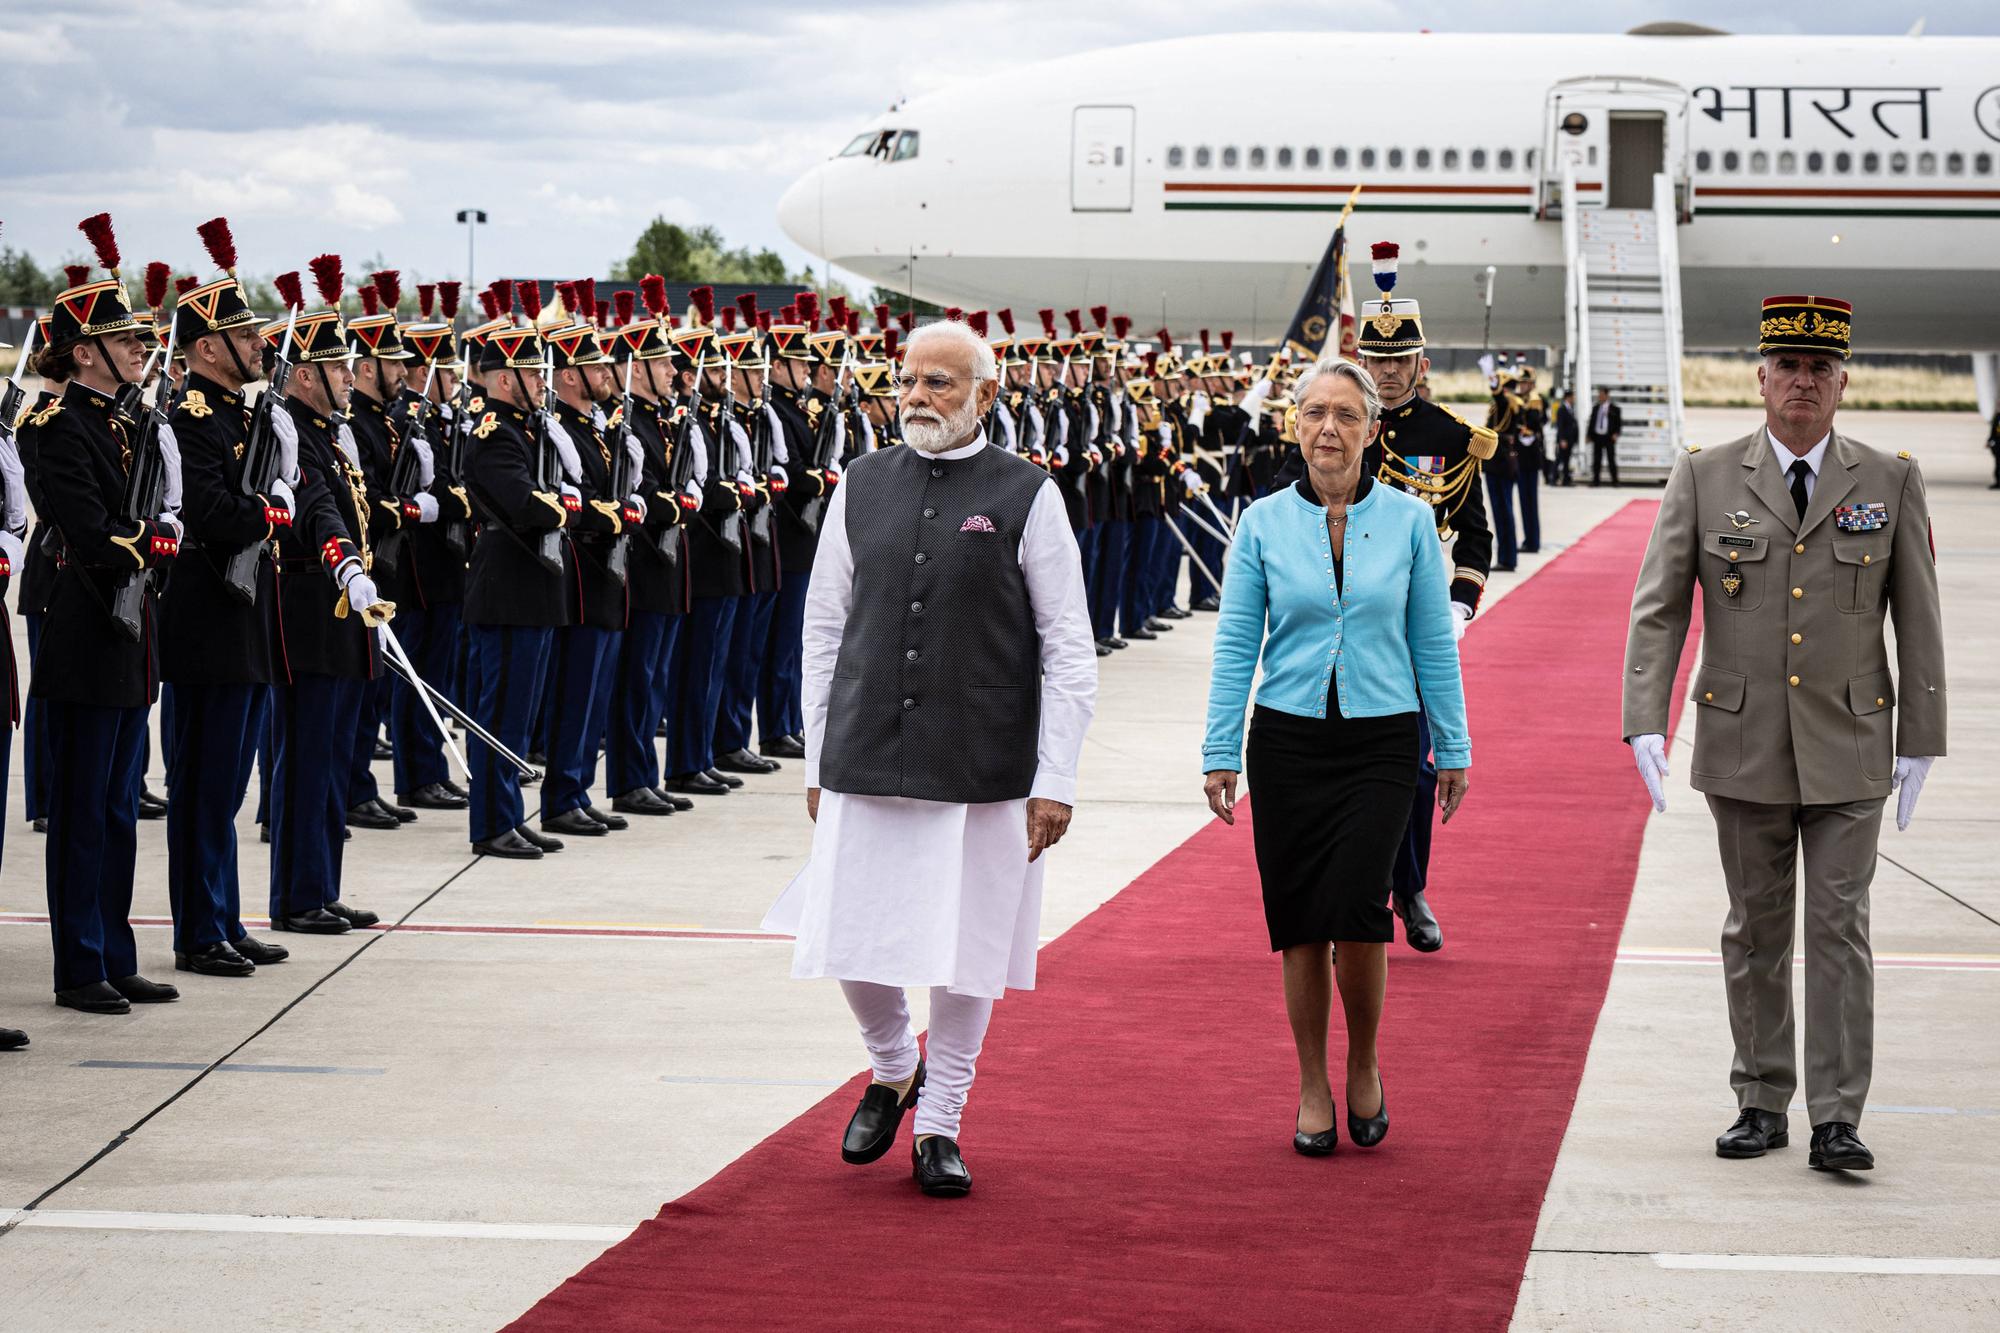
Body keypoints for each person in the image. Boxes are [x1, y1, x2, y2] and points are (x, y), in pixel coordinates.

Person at [764, 318, 1097, 1198]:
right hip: (864, 745)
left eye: (938, 382)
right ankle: (890, 1064)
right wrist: (815, 757)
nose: (915, 396)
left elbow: (1069, 644)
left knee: (966, 948)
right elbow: (823, 627)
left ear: (985, 393)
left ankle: (941, 1119)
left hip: (982, 761)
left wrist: (1056, 777)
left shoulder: (1028, 493)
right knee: (847, 930)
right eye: (907, 380)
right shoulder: (860, 483)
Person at [1622, 294, 1946, 1172]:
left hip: (1850, 743)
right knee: (1756, 927)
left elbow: (1918, 617)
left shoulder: (1889, 479)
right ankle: (1761, 1100)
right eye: (1789, 367)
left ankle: (1836, 1116)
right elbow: (1659, 608)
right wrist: (1644, 717)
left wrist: (1921, 733)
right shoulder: (1704, 476)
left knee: (1838, 928)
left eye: (1821, 368)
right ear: (1760, 378)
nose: (1804, 381)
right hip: (1743, 742)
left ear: (1843, 383)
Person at [1202, 354, 1470, 1155]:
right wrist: (1220, 748)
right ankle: (1312, 1081)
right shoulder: (1261, 524)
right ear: (1296, 425)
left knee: (1357, 910)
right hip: (1287, 742)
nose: (1329, 428)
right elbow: (1236, 643)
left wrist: (1453, 743)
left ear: (1372, 430)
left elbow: (1433, 641)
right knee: (1299, 923)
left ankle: (1364, 1061)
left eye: (1346, 414)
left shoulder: (1411, 522)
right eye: (1315, 413)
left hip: (1382, 740)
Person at [1286, 247, 1492, 952]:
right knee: (1337, 766)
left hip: (1415, 626)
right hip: (1336, 617)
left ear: (1420, 364)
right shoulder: (1334, 424)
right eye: (1377, 361)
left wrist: (1458, 606)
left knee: (1417, 768)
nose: (1388, 373)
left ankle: (1409, 887)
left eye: (1400, 361)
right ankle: (1354, 892)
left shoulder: (1452, 439)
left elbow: (1476, 537)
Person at [33, 218, 184, 1012]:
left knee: (121, 808)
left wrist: (164, 530)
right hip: (88, 629)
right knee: (84, 810)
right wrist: (152, 538)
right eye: (123, 339)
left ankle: (116, 952)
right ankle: (79, 962)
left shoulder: (127, 423)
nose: (138, 348)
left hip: (131, 634)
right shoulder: (57, 428)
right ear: (83, 351)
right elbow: (93, 534)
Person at [266, 257, 390, 934]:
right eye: (338, 367)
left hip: (344, 618)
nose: (349, 376)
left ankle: (323, 884)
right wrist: (347, 565)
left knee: (336, 759)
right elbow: (317, 512)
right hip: (312, 614)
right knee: (308, 760)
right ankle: (297, 896)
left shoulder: (326, 435)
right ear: (306, 374)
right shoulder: (291, 435)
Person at [461, 309, 573, 859]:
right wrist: (565, 507)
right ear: (505, 380)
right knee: (499, 715)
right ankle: (490, 824)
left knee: (518, 716)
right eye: (532, 375)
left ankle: (507, 813)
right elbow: (522, 504)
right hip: (508, 590)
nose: (541, 383)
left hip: (529, 589)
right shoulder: (494, 433)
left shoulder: (525, 430)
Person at [1587, 386, 1622, 486]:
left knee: (1611, 459)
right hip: (1598, 436)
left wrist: (1616, 433)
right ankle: (1596, 481)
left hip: (1608, 437)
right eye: (1599, 395)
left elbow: (1618, 424)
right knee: (1596, 460)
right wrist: (1589, 435)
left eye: (1602, 395)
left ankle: (1615, 481)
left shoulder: (1614, 409)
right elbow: (1592, 423)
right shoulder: (1596, 408)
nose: (1600, 397)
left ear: (1607, 395)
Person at [1554, 388, 1579, 486]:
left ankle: (1566, 480)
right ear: (1568, 397)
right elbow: (1560, 426)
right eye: (1573, 396)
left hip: (1570, 439)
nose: (1574, 398)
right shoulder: (1562, 409)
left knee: (1566, 460)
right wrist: (1562, 439)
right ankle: (1553, 478)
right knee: (1560, 459)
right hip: (1564, 440)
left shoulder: (1570, 408)